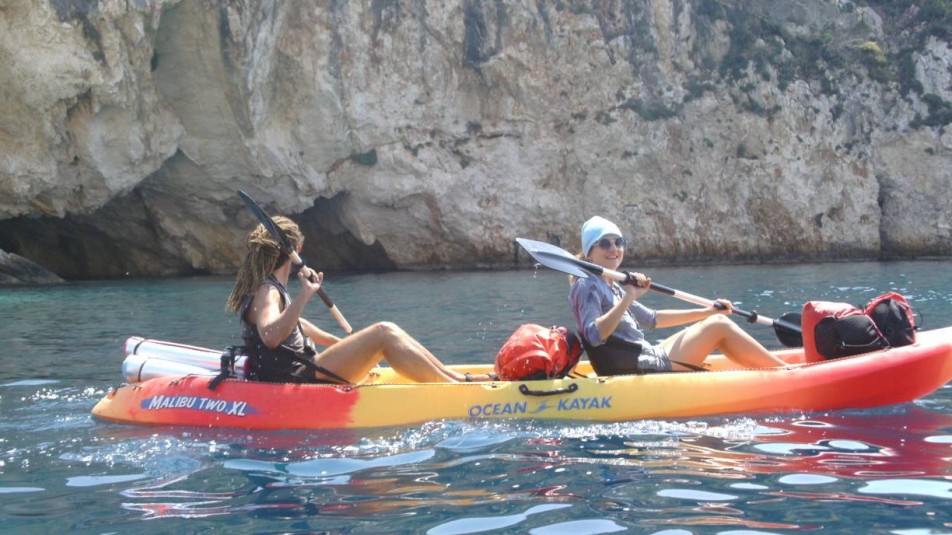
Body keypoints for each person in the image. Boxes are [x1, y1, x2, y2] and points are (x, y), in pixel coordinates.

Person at [226, 216, 493, 384]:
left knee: (389, 331)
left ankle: (457, 378)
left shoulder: (272, 289)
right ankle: (453, 387)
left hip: (303, 369)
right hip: (300, 376)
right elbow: (272, 336)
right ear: (297, 250)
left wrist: (337, 342)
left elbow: (296, 326)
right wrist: (305, 295)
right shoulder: (267, 292)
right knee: (384, 332)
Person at [569, 216, 787, 375]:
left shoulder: (611, 283)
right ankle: (787, 374)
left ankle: (776, 369)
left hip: (640, 355)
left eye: (618, 242)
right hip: (631, 366)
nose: (614, 249)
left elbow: (652, 319)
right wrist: (629, 297)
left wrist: (707, 311)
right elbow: (594, 336)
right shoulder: (588, 284)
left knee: (714, 318)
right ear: (589, 252)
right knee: (719, 325)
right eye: (604, 243)